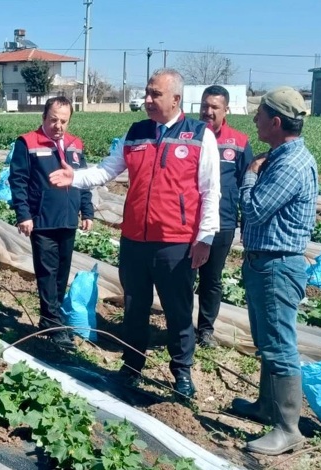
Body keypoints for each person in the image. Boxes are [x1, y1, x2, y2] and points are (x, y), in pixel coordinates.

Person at [49, 69, 221, 400]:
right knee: (135, 307)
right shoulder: (138, 132)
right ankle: (131, 365)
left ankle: (181, 373)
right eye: (147, 93)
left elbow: (211, 191)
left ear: (175, 99)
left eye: (155, 94)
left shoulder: (199, 135)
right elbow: (107, 170)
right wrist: (76, 177)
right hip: (135, 241)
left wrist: (205, 238)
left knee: (178, 310)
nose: (147, 100)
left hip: (176, 242)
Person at [229, 87, 315, 456]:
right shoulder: (282, 157)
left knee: (280, 346)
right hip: (265, 262)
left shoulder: (289, 164)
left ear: (276, 122)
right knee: (268, 341)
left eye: (260, 115)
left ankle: (288, 428)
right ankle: (267, 406)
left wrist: (249, 174)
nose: (254, 121)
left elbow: (255, 209)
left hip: (278, 265)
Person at [8, 96, 94, 350]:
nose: (58, 126)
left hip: (67, 219)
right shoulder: (28, 143)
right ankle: (54, 324)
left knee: (62, 272)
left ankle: (50, 320)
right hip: (42, 219)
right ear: (44, 117)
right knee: (47, 272)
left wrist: (87, 211)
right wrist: (23, 214)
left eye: (64, 121)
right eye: (54, 119)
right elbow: (18, 181)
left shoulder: (75, 145)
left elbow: (83, 180)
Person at [195, 85, 253, 348]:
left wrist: (246, 223)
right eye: (204, 106)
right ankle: (182, 325)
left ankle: (205, 330)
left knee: (211, 278)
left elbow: (247, 183)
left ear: (226, 110)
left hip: (223, 221)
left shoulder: (239, 142)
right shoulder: (189, 135)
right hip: (188, 220)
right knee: (182, 276)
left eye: (214, 107)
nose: (208, 111)